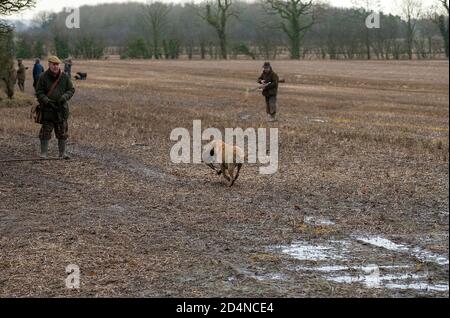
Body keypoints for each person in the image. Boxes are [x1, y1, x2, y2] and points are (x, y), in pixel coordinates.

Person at [35, 55, 75, 159]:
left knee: (62, 133)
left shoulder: (64, 77)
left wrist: (64, 97)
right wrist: (47, 101)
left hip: (61, 110)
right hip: (48, 110)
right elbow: (39, 92)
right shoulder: (43, 77)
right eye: (53, 64)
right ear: (49, 64)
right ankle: (43, 154)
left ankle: (62, 154)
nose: (55, 66)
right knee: (45, 133)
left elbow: (71, 90)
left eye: (57, 64)